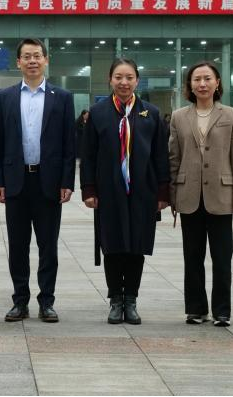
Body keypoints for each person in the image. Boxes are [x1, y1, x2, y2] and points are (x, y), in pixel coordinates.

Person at [0, 38, 76, 323]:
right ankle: (20, 301)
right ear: (18, 62)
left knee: (47, 246)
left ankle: (47, 301)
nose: (32, 61)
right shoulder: (6, 97)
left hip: (48, 182)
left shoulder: (62, 97)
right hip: (16, 181)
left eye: (37, 56)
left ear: (46, 60)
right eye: (27, 56)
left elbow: (69, 143)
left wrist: (67, 181)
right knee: (17, 246)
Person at [81, 58, 170, 325]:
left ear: (137, 81)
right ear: (110, 80)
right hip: (109, 192)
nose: (124, 82)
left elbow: (160, 156)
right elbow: (88, 155)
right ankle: (115, 300)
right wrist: (89, 189)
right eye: (118, 77)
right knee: (112, 246)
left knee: (135, 246)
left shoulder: (150, 113)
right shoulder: (98, 113)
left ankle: (131, 299)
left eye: (129, 77)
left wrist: (162, 193)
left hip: (142, 192)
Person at [169, 61, 233, 328]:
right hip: (189, 195)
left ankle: (222, 311)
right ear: (190, 85)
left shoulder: (232, 116)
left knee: (222, 258)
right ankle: (195, 309)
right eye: (196, 79)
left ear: (217, 83)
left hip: (221, 195)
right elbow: (173, 158)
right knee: (192, 257)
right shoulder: (179, 117)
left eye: (207, 79)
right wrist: (172, 196)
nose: (202, 84)